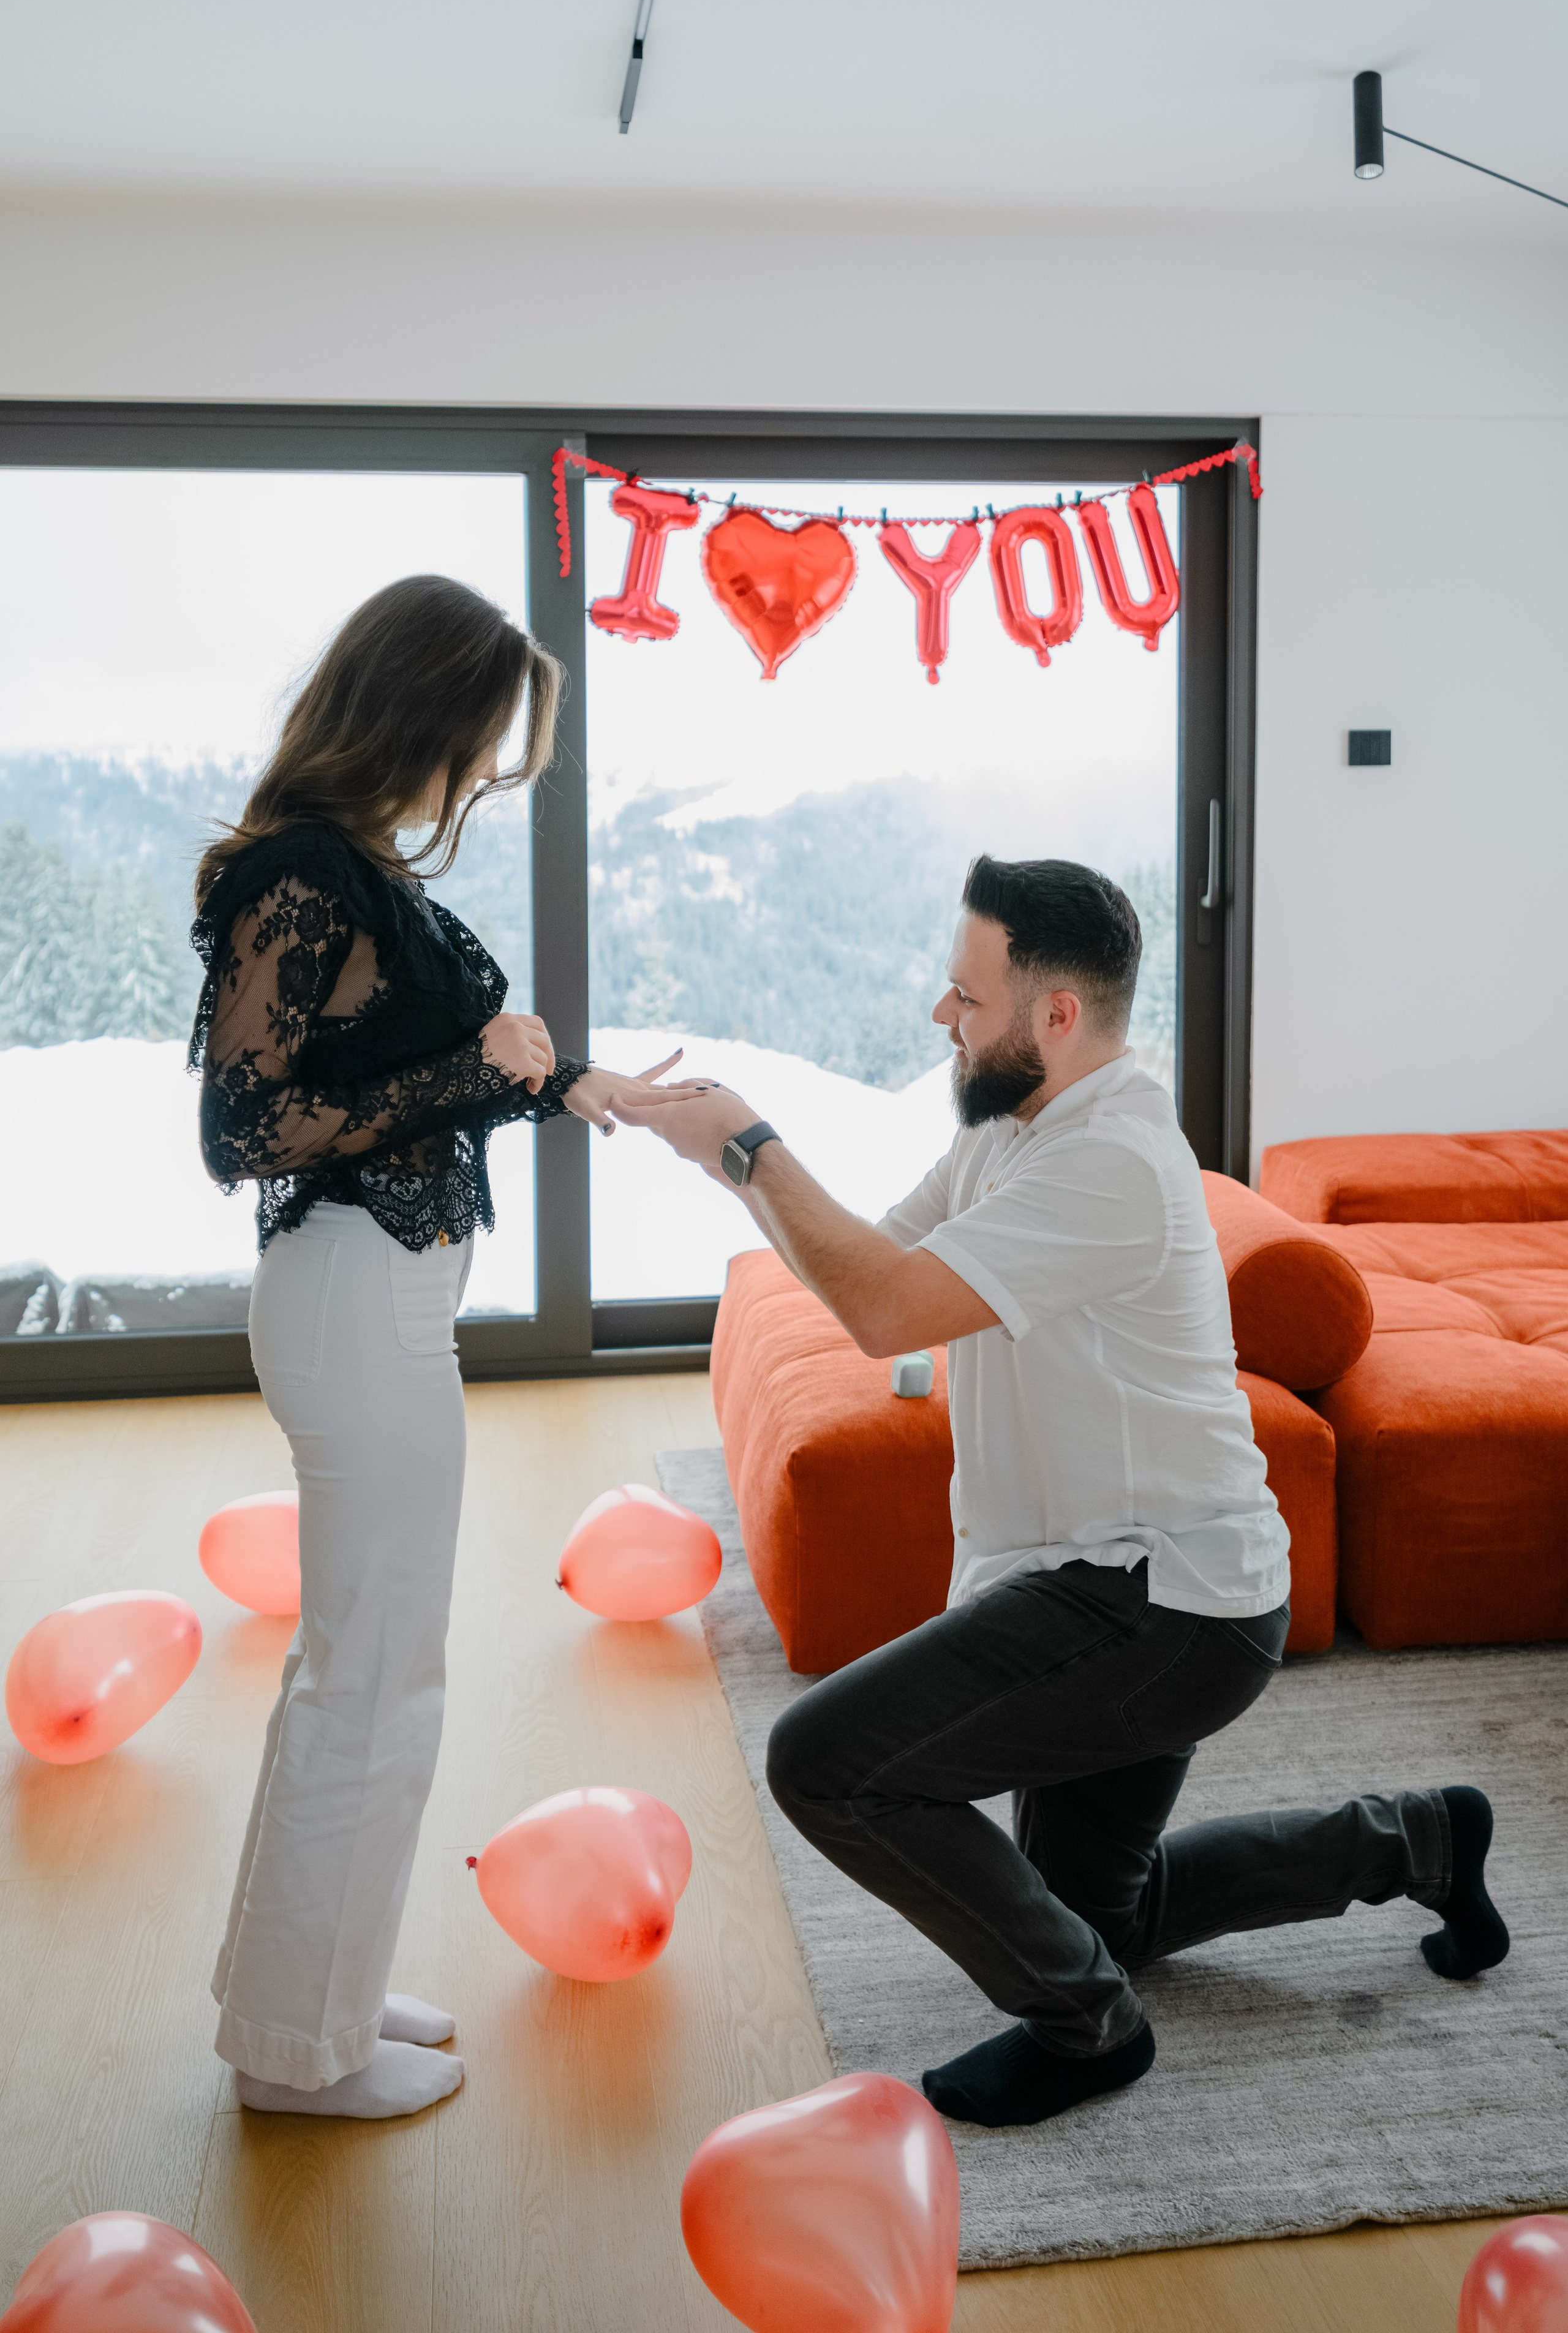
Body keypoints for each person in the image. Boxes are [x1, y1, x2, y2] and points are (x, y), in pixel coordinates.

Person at [611, 854, 1509, 2129]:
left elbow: (879, 1311)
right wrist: (720, 1153)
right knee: (1103, 1917)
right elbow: (870, 1266)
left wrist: (749, 1148)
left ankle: (1088, 2031)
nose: (941, 1015)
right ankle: (1415, 1841)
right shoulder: (1009, 1129)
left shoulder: (1111, 1164)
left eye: (965, 997)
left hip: (1163, 1603)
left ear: (1056, 1014)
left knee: (828, 1763)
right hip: (1105, 1583)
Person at [190, 575, 699, 2120]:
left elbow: (398, 1064)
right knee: (372, 1680)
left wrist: (565, 1080)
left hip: (380, 1301)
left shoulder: (352, 867)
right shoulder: (300, 873)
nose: (478, 774)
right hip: (352, 1305)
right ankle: (299, 2054)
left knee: (363, 1670)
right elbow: (249, 1128)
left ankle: (308, 2001)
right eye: (478, 742)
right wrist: (477, 1065)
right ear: (416, 711)